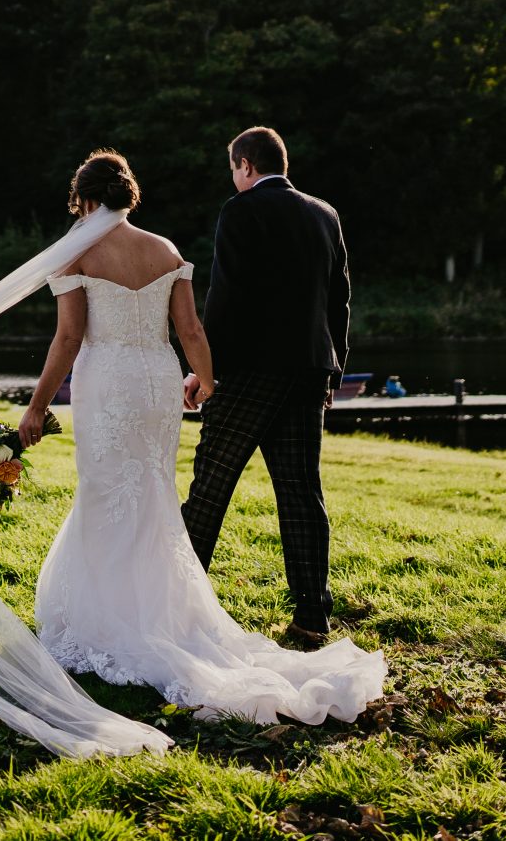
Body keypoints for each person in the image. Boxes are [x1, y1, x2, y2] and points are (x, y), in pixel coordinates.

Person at [0, 145, 382, 757]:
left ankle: (110, 619)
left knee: (109, 492)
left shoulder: (82, 250)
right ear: (129, 196)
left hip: (108, 384)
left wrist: (36, 406)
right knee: (155, 494)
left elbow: (67, 336)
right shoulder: (166, 250)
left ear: (84, 200)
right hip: (160, 383)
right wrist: (206, 378)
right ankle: (178, 609)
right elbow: (191, 330)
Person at [180, 126, 352, 646]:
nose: (234, 178)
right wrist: (333, 369)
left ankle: (180, 609)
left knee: (210, 486)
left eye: (234, 168)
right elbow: (339, 299)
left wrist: (205, 370)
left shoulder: (241, 210)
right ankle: (311, 618)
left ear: (247, 165)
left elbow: (227, 296)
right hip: (308, 371)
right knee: (301, 493)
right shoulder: (325, 214)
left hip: (250, 371)